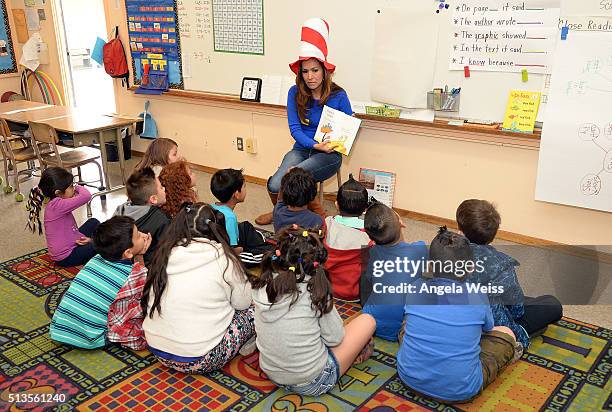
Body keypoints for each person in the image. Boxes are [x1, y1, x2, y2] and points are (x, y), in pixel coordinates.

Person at [397, 227, 520, 403]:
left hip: (408, 378)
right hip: (461, 390)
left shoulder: (415, 287)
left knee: (407, 323)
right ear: (470, 267)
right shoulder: (477, 295)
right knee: (506, 334)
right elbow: (488, 329)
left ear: (430, 265)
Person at [251, 225, 376, 396]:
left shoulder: (263, 284)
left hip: (271, 372)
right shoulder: (315, 290)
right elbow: (335, 338)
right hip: (313, 381)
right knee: (368, 320)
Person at [255, 18, 353, 225]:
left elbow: (348, 130)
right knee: (274, 185)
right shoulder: (294, 93)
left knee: (295, 177)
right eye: (305, 71)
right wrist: (314, 144)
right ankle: (280, 213)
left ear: (325, 71)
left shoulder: (339, 95)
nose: (310, 76)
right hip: (302, 149)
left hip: (329, 155)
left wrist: (335, 142)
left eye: (315, 70)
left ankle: (319, 219)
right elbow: (295, 129)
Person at [142, 203, 255, 374]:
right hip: (202, 358)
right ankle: (246, 343)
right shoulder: (223, 258)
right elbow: (243, 303)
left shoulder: (165, 253)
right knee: (256, 306)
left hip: (157, 349)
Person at [456, 199, 563, 349]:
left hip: (457, 319)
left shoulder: (441, 252)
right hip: (493, 323)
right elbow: (517, 309)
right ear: (493, 235)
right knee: (551, 304)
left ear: (460, 231)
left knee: (525, 299)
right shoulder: (501, 264)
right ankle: (509, 337)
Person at [49, 216, 152, 349]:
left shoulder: (96, 258)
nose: (144, 236)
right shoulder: (134, 275)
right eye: (138, 236)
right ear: (127, 253)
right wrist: (140, 255)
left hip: (60, 329)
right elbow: (145, 296)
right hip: (92, 338)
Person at [360, 202, 428, 341]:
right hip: (405, 326)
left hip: (371, 323)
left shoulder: (371, 253)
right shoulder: (420, 249)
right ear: (401, 223)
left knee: (366, 278)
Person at [26, 167, 99, 267]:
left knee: (93, 222)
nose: (73, 188)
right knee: (100, 245)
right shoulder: (58, 206)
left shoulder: (55, 203)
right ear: (58, 193)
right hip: (67, 257)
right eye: (70, 186)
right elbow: (86, 196)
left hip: (73, 242)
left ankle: (91, 243)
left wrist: (72, 186)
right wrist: (77, 186)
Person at [210, 168, 274, 265]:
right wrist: (242, 249)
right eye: (244, 186)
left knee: (246, 226)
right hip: (229, 254)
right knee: (268, 252)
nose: (246, 189)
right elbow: (233, 251)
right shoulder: (230, 217)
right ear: (236, 195)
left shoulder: (212, 206)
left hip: (222, 241)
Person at [323, 174, 372, 300]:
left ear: (337, 205)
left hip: (326, 287)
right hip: (354, 293)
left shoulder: (327, 223)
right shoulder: (369, 235)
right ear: (365, 209)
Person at [114, 167, 170, 266]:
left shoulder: (120, 209)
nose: (164, 189)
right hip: (145, 267)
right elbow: (165, 253)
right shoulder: (161, 220)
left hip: (118, 261)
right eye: (161, 187)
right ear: (153, 199)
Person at [273, 168, 323, 233]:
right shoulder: (316, 220)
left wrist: (288, 175)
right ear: (312, 195)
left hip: (281, 242)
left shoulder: (278, 210)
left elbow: (280, 198)